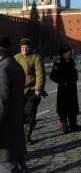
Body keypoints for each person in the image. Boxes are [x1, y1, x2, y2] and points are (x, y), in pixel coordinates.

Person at [0, 36, 28, 172]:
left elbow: (1, 103)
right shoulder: (16, 66)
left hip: (5, 130)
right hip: (15, 126)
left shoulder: (2, 70)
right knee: (19, 164)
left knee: (6, 166)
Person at [14, 38, 45, 144]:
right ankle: (22, 131)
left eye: (26, 47)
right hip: (18, 90)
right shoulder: (16, 57)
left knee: (29, 112)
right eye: (22, 47)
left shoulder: (36, 58)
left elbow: (40, 74)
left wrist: (38, 89)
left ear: (30, 48)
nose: (24, 49)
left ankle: (27, 136)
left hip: (32, 89)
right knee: (19, 114)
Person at [50, 45, 79, 133]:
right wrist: (62, 81)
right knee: (63, 107)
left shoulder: (71, 61)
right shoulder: (59, 62)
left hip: (72, 87)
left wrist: (75, 77)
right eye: (68, 52)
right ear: (64, 54)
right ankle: (64, 125)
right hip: (64, 89)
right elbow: (53, 75)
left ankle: (73, 124)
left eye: (69, 51)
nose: (70, 53)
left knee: (72, 106)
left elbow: (73, 72)